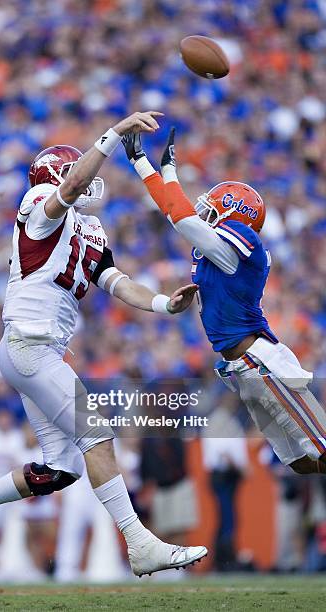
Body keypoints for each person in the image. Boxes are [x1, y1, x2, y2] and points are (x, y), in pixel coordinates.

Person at [0, 111, 207, 577]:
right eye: (72, 171)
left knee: (62, 469)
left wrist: (163, 304)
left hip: (39, 353)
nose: (84, 180)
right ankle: (139, 543)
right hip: (29, 345)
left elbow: (118, 283)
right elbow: (75, 182)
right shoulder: (39, 205)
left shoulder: (89, 229)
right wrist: (116, 132)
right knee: (96, 432)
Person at [122, 127, 326, 477]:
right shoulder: (216, 252)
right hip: (240, 369)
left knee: (323, 448)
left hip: (262, 363)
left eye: (212, 209)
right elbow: (179, 213)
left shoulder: (241, 243)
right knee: (305, 464)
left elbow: (180, 216)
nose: (204, 214)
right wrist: (149, 165)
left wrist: (156, 168)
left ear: (235, 217)